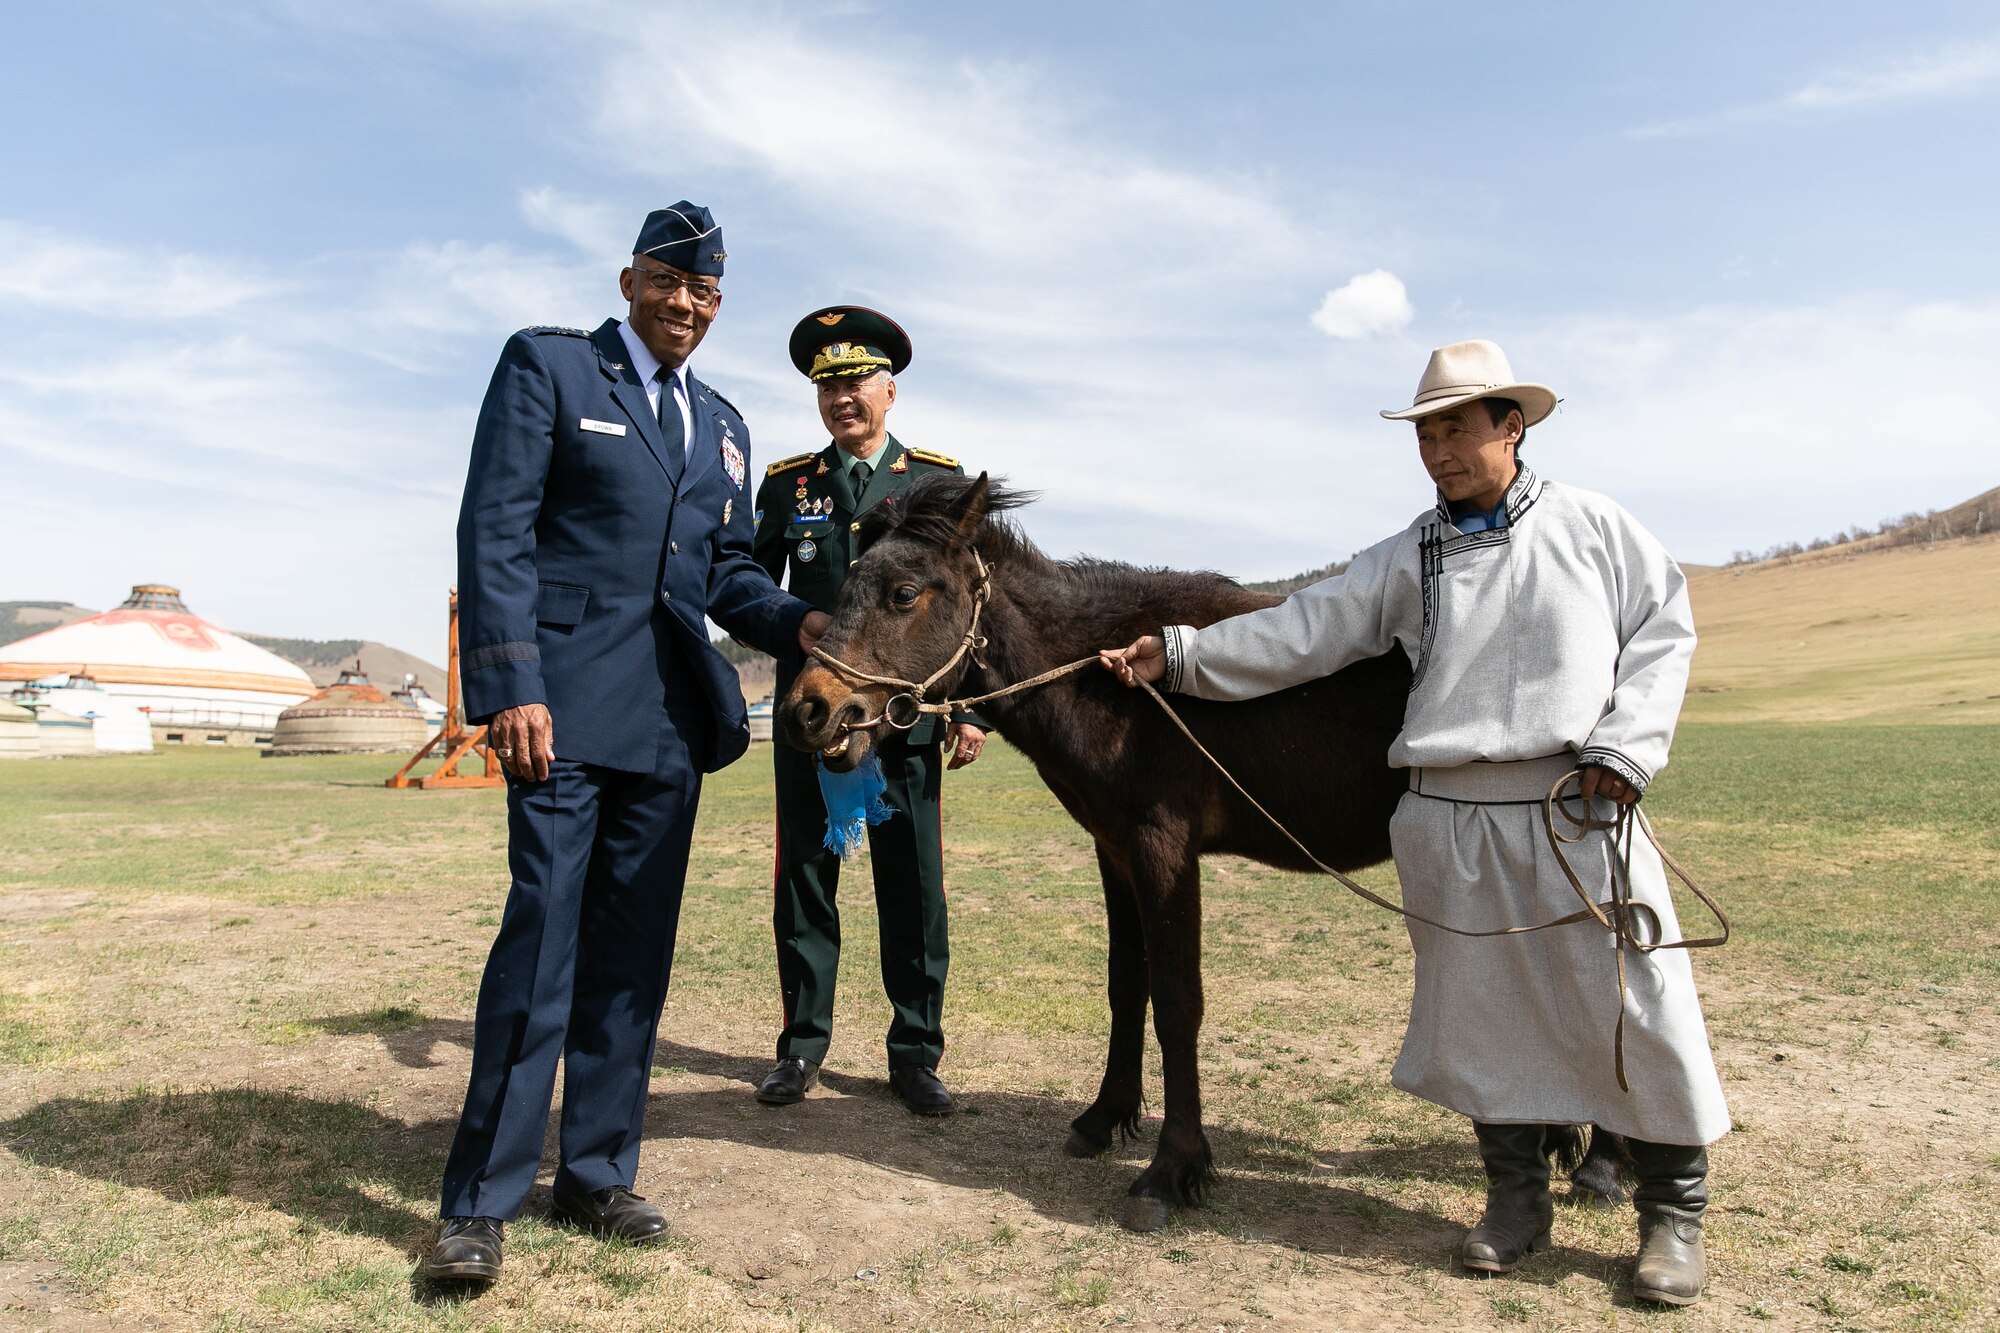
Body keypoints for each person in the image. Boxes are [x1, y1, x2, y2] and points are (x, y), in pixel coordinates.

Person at [1099, 340, 1726, 1306]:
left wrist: (1627, 747)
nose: (1438, 450)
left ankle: (1671, 1219)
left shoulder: (1596, 526)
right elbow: (1301, 632)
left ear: (1510, 426)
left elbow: (1663, 631)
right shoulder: (1411, 554)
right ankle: (1515, 1205)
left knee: (1633, 1001)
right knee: (1485, 1019)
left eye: (1457, 429)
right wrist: (1178, 655)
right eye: (1426, 433)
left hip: (1579, 801)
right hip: (1452, 811)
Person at [419, 203, 831, 1285]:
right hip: (556, 713)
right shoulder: (550, 369)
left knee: (630, 967)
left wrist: (806, 624)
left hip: (664, 727)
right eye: (667, 283)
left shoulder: (725, 425)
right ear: (628, 280)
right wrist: (510, 682)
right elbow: (495, 527)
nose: (684, 305)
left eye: (703, 292)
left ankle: (597, 1171)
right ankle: (479, 1200)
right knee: (541, 951)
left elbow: (729, 573)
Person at [748, 306, 986, 1116]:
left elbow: (964, 604)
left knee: (914, 890)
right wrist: (788, 625)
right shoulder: (789, 486)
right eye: (827, 386)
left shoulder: (935, 483)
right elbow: (747, 589)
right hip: (813, 721)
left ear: (890, 390)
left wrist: (972, 711)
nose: (841, 398)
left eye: (854, 383)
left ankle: (915, 1053)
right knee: (805, 884)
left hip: (906, 720)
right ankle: (800, 1048)